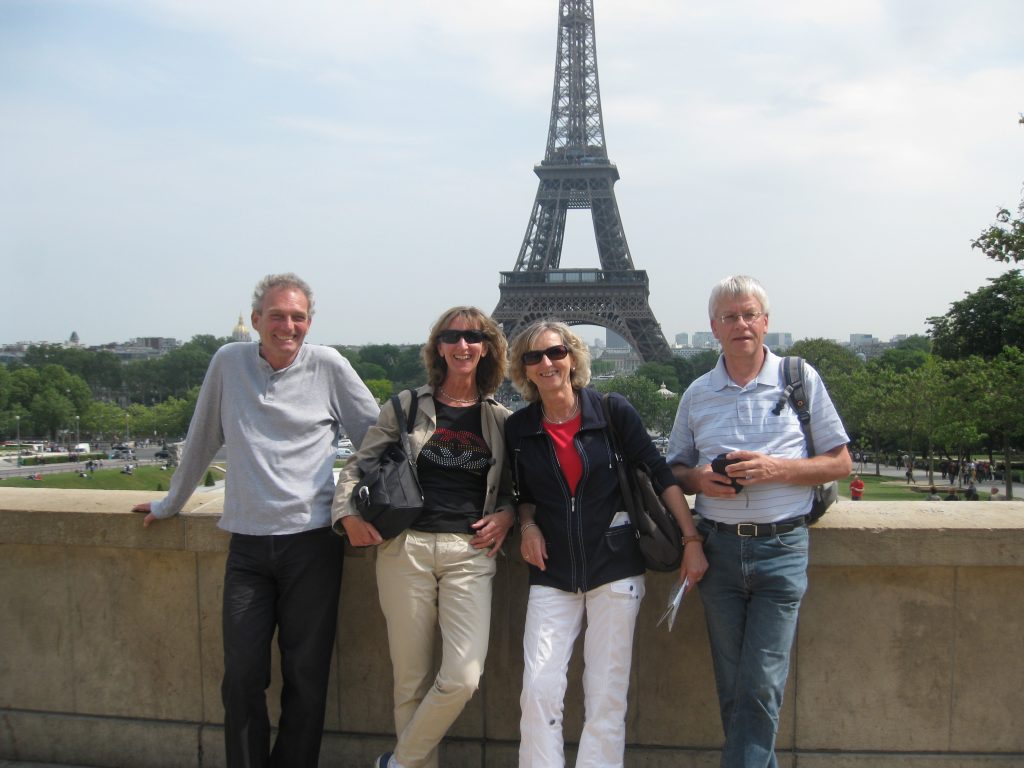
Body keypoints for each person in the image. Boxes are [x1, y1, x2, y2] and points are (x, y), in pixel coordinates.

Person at [132, 273, 380, 768]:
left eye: (297, 317)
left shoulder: (329, 366)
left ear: (309, 322)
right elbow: (202, 437)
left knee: (306, 676)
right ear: (255, 320)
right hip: (247, 545)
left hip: (312, 544)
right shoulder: (228, 361)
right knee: (242, 677)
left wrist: (351, 505)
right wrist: (169, 503)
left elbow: (376, 440)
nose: (287, 326)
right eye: (277, 316)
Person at [505, 320, 707, 768]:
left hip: (615, 568)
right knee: (538, 690)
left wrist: (691, 537)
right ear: (524, 370)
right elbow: (520, 495)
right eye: (533, 357)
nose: (546, 363)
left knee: (606, 697)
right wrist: (528, 525)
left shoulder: (613, 412)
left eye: (555, 352)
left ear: (572, 357)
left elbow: (660, 473)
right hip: (552, 571)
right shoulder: (518, 429)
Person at [667, 276, 851, 768]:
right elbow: (673, 471)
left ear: (765, 323)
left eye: (749, 315)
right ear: (713, 328)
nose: (741, 324)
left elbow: (840, 463)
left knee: (761, 686)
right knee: (736, 689)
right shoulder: (696, 393)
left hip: (782, 548)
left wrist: (776, 469)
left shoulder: (799, 378)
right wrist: (700, 480)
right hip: (717, 550)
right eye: (730, 317)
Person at [333, 307, 515, 768]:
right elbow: (359, 464)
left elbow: (519, 490)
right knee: (410, 682)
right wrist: (347, 515)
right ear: (439, 346)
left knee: (463, 676)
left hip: (469, 553)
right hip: (406, 548)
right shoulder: (406, 406)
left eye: (474, 337)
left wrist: (509, 516)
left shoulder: (501, 420)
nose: (463, 345)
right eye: (453, 336)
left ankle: (396, 764)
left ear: (487, 348)